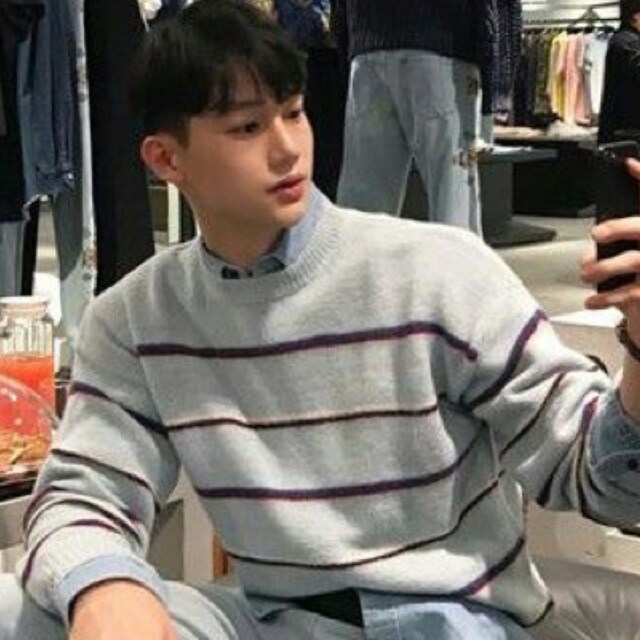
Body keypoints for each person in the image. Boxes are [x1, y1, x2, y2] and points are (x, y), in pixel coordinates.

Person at [1, 1, 640, 639]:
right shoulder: (137, 317)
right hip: (273, 621)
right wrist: (104, 585)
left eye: (293, 112)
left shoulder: (438, 272)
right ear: (167, 160)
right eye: (248, 127)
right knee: (19, 608)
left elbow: (605, 480)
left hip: (450, 617)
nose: (287, 149)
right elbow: (84, 490)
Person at [332, 0, 486, 234]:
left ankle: (358, 260)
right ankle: (457, 259)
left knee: (364, 205)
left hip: (366, 44)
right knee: (453, 196)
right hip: (444, 43)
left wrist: (349, 42)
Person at [598, 0, 640, 143]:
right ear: (635, 15)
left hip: (623, 134)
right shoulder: (630, 44)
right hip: (628, 136)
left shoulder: (624, 40)